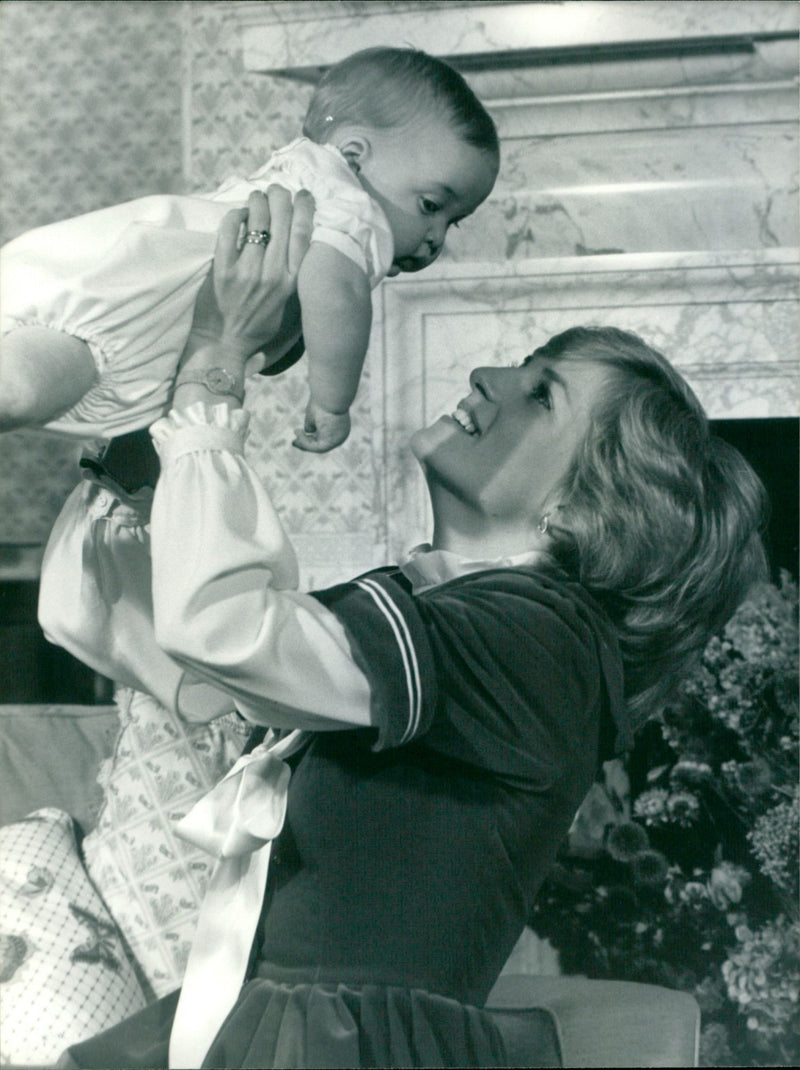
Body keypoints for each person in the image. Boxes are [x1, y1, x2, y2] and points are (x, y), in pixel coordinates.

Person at [47, 186, 768, 1069]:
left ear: (583, 509)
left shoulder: (534, 640)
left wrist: (217, 366)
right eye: (521, 363)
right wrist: (141, 443)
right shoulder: (472, 624)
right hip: (297, 1027)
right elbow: (171, 650)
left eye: (541, 395)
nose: (487, 377)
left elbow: (223, 630)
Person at [0, 46, 499, 453]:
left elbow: (286, 331)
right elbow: (340, 294)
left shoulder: (311, 183)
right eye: (431, 204)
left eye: (452, 222)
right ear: (355, 156)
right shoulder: (350, 203)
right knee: (23, 388)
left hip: (119, 290)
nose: (435, 237)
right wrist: (333, 404)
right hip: (143, 306)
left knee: (27, 385)